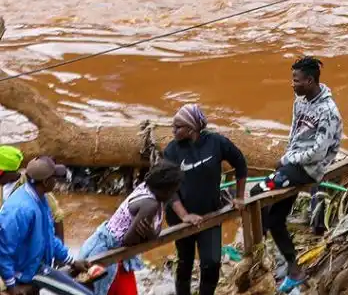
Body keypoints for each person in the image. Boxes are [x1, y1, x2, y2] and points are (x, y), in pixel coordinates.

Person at [252, 57, 341, 292]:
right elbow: (294, 134)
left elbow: (319, 151)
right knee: (274, 219)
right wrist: (286, 160)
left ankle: (256, 255)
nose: (292, 84)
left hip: (311, 169)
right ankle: (292, 269)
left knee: (255, 192)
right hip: (293, 165)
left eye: (296, 80)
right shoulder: (300, 101)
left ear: (310, 80)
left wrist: (286, 161)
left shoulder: (328, 111)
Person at [162, 105, 247, 295]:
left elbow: (240, 162)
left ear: (191, 128)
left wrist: (240, 197)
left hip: (210, 214)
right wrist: (184, 215)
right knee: (185, 260)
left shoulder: (216, 143)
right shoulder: (172, 151)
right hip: (180, 216)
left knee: (212, 262)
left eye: (178, 127)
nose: (173, 130)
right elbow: (169, 188)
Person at [78, 161, 184, 295]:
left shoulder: (147, 188)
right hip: (109, 254)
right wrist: (151, 235)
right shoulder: (150, 204)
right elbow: (129, 240)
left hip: (120, 255)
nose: (175, 193)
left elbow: (150, 233)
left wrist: (150, 234)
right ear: (167, 190)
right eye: (175, 190)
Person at [0, 158, 86, 293]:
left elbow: (48, 237)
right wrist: (11, 286)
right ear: (46, 182)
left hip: (34, 264)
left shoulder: (40, 198)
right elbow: (4, 249)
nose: (56, 181)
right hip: (24, 272)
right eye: (54, 178)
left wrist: (71, 261)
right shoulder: (20, 209)